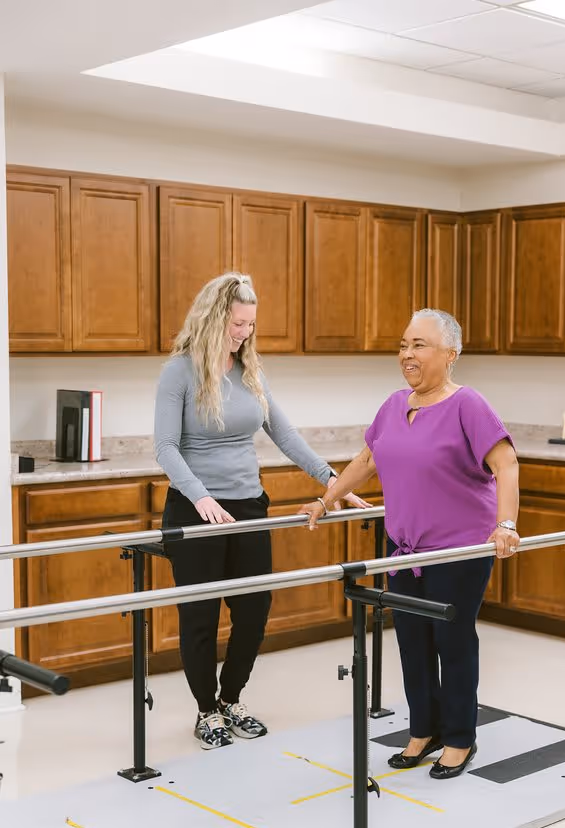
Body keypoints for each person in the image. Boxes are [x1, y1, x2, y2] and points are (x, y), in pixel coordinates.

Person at [299, 308, 520, 780]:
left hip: (457, 552)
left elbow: (506, 465)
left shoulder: (469, 405)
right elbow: (366, 460)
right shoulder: (393, 404)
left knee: (452, 641)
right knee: (412, 642)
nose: (407, 354)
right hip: (403, 548)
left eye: (419, 345)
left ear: (450, 354)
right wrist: (325, 500)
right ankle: (424, 730)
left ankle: (460, 737)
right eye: (403, 344)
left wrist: (506, 523)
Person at [154, 272, 368, 750]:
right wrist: (200, 496)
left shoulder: (249, 371)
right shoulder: (180, 371)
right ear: (213, 319)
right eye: (237, 323)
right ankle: (205, 710)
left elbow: (286, 436)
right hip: (195, 510)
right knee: (201, 616)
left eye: (250, 324)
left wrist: (333, 482)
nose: (244, 332)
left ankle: (231, 698)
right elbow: (165, 447)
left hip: (249, 506)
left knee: (254, 610)